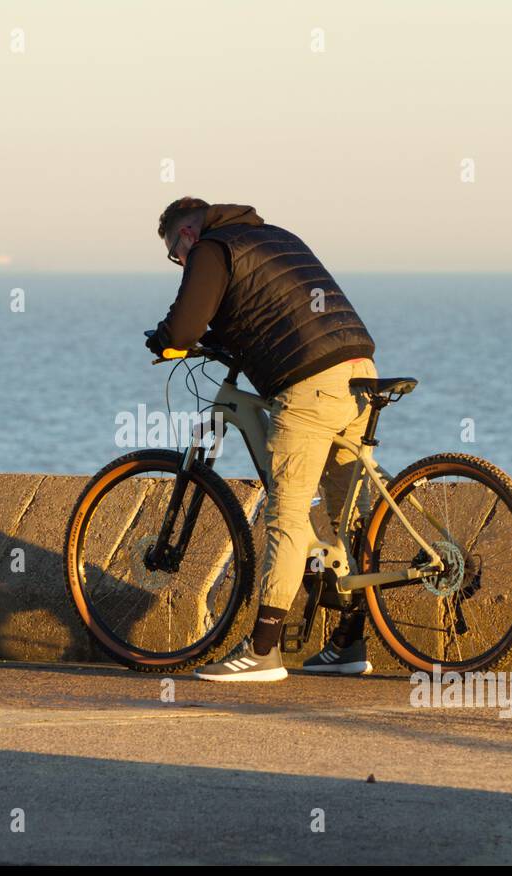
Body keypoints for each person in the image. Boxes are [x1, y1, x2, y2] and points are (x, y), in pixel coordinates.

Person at [145, 197, 380, 682]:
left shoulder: (212, 248)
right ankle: (349, 642)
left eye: (175, 254)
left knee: (287, 515)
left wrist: (165, 340)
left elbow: (186, 326)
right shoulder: (276, 236)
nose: (181, 262)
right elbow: (277, 305)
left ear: (186, 236)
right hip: (358, 367)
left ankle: (263, 651)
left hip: (310, 382)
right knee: (339, 513)